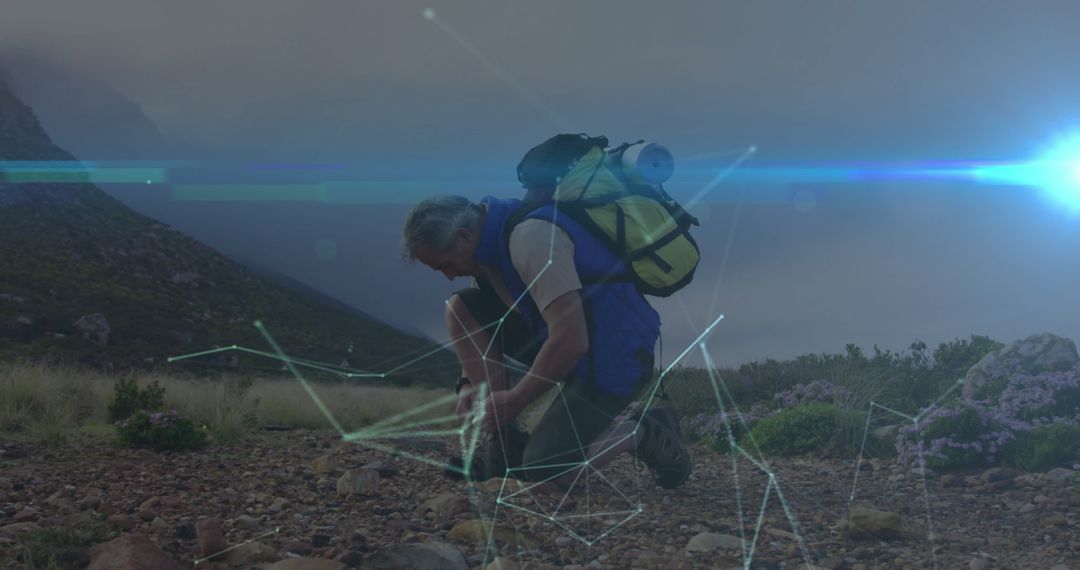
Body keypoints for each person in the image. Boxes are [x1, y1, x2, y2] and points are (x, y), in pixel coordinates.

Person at [401, 193, 692, 490]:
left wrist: (517, 398)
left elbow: (571, 340)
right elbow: (495, 323)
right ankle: (504, 446)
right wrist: (467, 384)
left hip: (616, 356)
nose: (449, 276)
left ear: (464, 235)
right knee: (461, 308)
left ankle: (643, 430)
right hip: (565, 341)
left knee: (546, 470)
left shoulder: (530, 239)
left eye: (446, 264)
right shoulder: (487, 252)